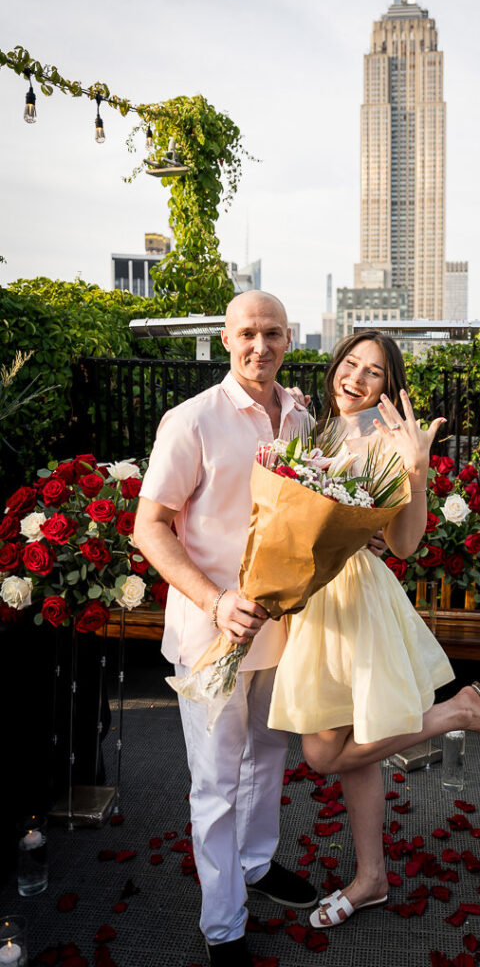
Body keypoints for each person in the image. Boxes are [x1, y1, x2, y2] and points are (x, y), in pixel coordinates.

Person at [267, 330, 480, 930]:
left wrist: (416, 467)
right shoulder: (319, 427)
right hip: (315, 599)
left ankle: (458, 711)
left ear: (391, 385)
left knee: (322, 752)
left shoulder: (390, 439)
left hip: (354, 601)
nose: (355, 379)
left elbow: (406, 545)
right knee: (353, 752)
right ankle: (371, 879)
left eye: (374, 373)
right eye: (350, 364)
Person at [133, 291, 317, 967]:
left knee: (268, 753)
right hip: (210, 633)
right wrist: (214, 600)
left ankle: (258, 863)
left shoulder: (298, 415)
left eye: (271, 333)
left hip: (279, 628)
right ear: (224, 339)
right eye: (247, 333)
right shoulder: (191, 421)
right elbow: (148, 526)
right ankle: (223, 927)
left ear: (288, 339)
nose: (259, 346)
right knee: (213, 780)